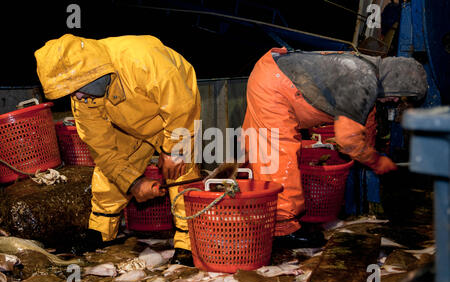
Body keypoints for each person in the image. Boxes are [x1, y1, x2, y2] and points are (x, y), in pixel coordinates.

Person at [35, 34, 201, 265]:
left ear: (94, 73)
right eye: (69, 92)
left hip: (173, 118)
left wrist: (173, 151)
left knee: (182, 173)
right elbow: (103, 151)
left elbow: (180, 106)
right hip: (128, 122)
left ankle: (188, 243)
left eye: (76, 89)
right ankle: (101, 230)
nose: (76, 97)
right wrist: (134, 183)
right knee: (109, 170)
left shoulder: (144, 58)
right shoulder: (84, 98)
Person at [242, 48, 428, 248]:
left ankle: (250, 210)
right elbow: (348, 140)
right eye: (399, 95)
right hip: (274, 85)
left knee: (259, 153)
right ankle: (282, 230)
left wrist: (371, 152)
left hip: (278, 78)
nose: (396, 101)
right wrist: (376, 161)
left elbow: (365, 124)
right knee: (279, 157)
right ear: (395, 83)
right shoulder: (363, 79)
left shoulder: (370, 78)